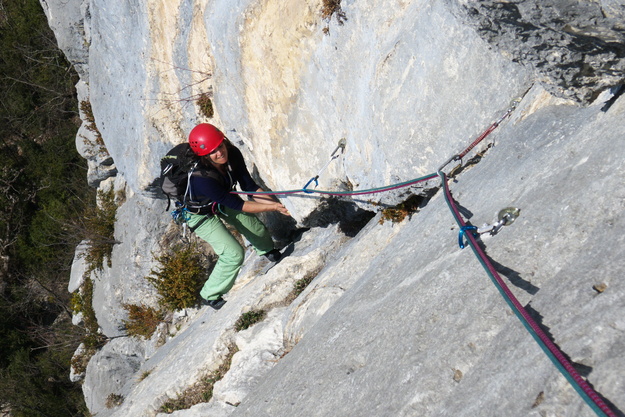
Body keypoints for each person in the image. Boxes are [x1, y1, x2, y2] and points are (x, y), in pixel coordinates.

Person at [185, 123, 290, 310]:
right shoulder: (201, 179)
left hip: (222, 199)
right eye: (213, 151)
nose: (220, 153)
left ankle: (267, 250)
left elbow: (248, 185)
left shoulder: (232, 153)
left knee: (256, 228)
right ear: (204, 156)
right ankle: (210, 294)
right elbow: (239, 204)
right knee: (234, 254)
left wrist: (277, 204)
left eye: (220, 146)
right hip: (199, 214)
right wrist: (273, 207)